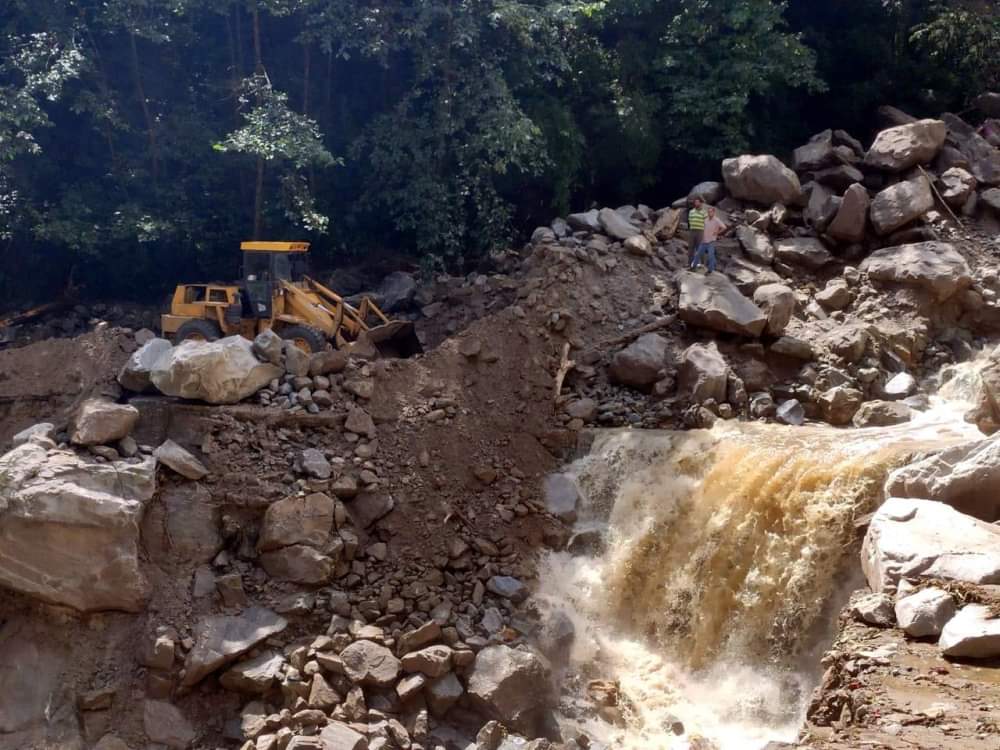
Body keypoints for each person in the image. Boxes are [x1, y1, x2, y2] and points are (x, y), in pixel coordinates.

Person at [690, 206, 729, 273]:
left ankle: (710, 270)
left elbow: (724, 227)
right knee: (697, 254)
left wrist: (717, 232)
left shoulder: (717, 220)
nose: (709, 213)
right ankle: (693, 267)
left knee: (711, 256)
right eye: (708, 212)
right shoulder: (705, 220)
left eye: (711, 212)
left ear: (714, 212)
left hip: (711, 241)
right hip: (704, 241)